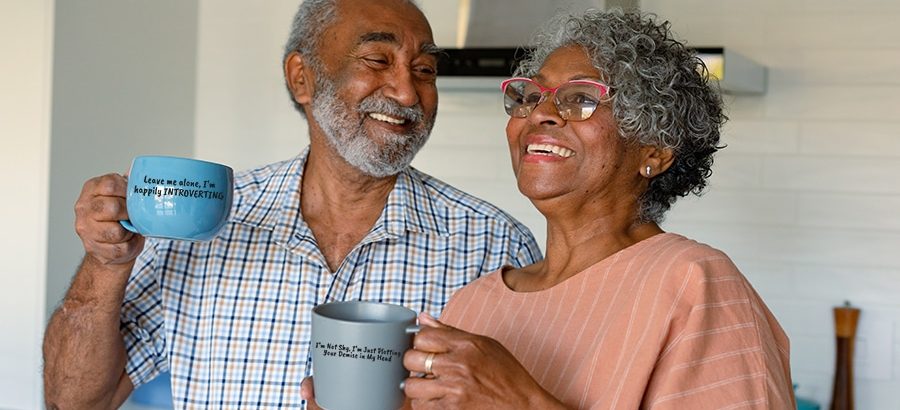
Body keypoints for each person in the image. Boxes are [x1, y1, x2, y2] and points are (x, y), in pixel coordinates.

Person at [41, 0, 541, 408]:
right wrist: (106, 263)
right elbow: (75, 400)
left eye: (426, 69)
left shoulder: (494, 245)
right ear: (302, 77)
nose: (408, 92)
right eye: (377, 60)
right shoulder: (203, 227)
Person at [401, 9, 795, 410]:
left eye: (581, 100)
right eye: (530, 96)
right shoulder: (473, 303)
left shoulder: (695, 284)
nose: (538, 113)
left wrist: (523, 402)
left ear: (655, 151)